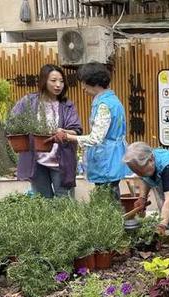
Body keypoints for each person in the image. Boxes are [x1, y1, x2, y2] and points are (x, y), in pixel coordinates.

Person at [49, 62, 129, 198]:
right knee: (110, 197)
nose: (83, 88)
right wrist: (67, 131)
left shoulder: (104, 105)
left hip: (107, 160)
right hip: (113, 158)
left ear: (94, 83)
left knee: (106, 200)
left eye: (84, 83)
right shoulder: (113, 100)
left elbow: (95, 138)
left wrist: (67, 137)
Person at [11, 64, 82, 198]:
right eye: (53, 80)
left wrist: (63, 132)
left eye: (61, 81)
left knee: (65, 202)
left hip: (61, 161)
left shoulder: (67, 105)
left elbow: (76, 130)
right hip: (36, 162)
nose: (58, 85)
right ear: (44, 81)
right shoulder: (29, 102)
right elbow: (13, 124)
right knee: (42, 202)